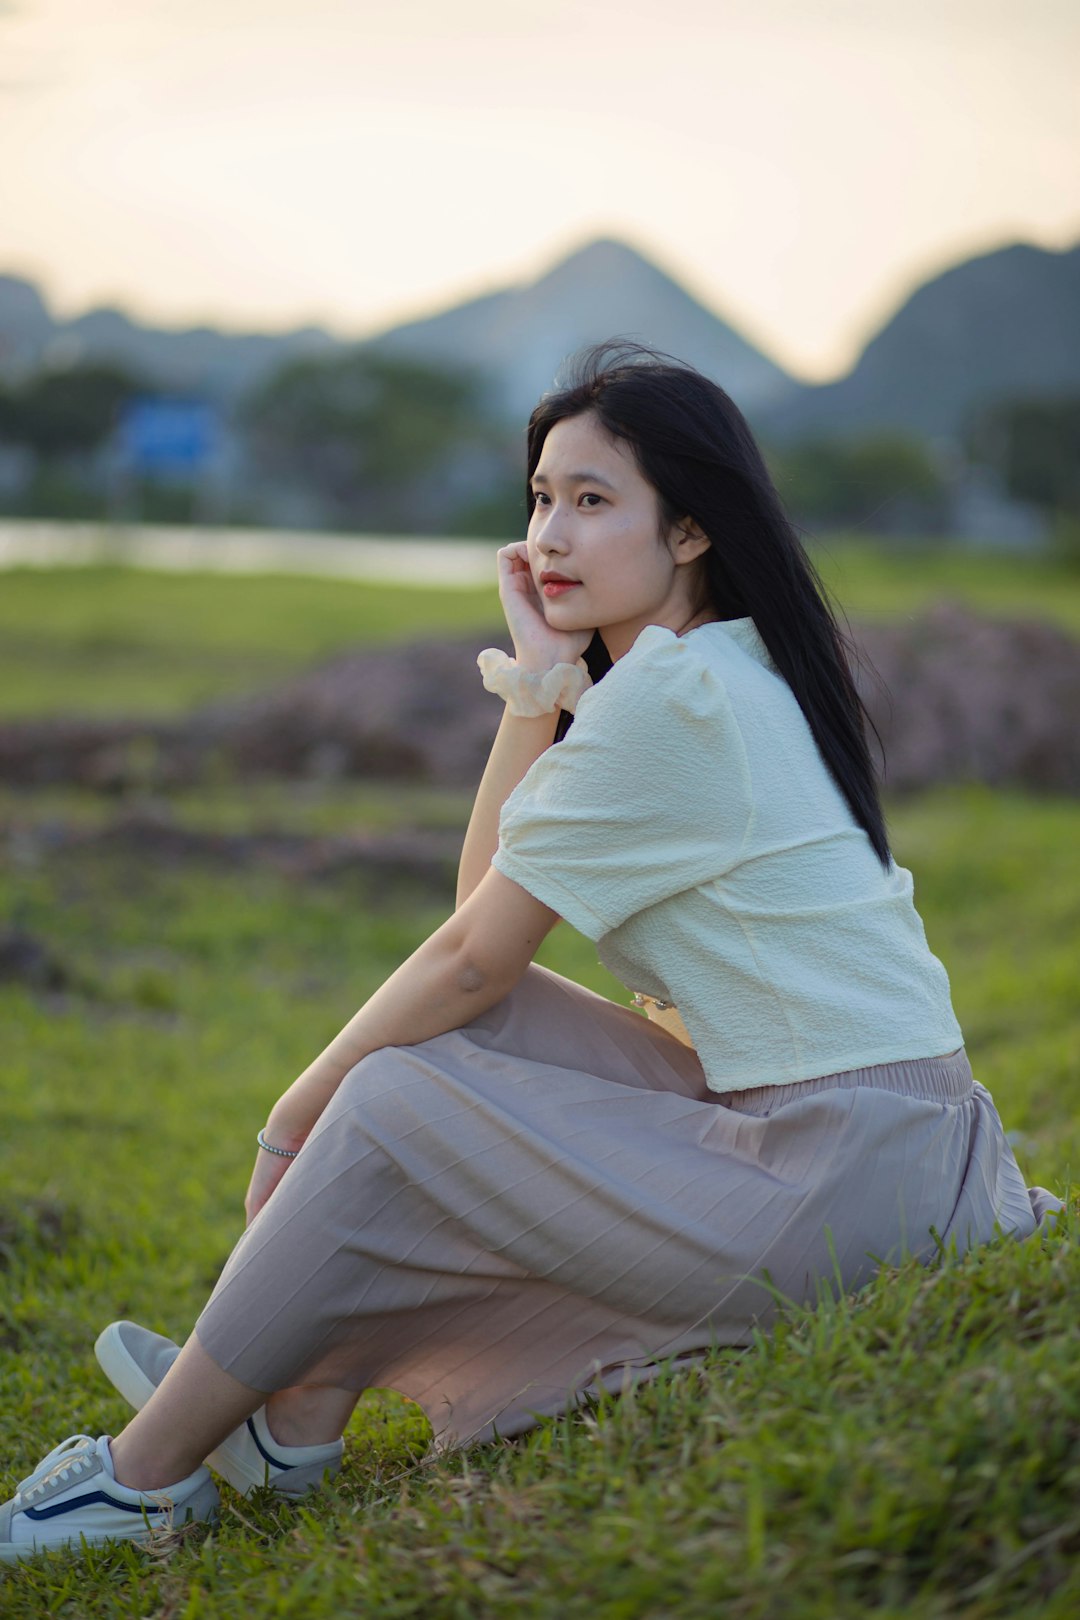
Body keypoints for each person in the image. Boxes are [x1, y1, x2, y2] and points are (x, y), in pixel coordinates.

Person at [2, 343, 1064, 1563]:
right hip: (901, 1145)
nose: (550, 535)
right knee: (460, 1038)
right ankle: (299, 1405)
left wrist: (292, 1120)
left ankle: (140, 1483)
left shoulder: (675, 703)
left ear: (690, 533)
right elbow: (488, 916)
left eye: (594, 500)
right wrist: (541, 691)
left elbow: (469, 953)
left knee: (392, 1096)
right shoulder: (731, 665)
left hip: (841, 1177)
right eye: (542, 498)